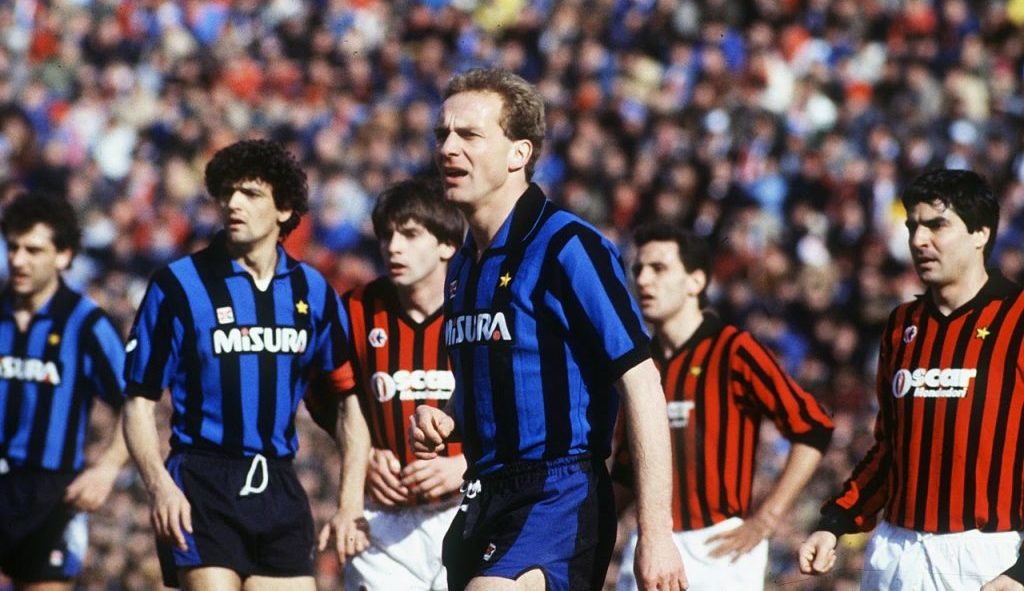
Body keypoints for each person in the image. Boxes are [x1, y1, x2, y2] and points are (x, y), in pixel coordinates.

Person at [409, 67, 687, 591]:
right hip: (482, 494)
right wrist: (446, 417)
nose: (447, 148)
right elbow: (501, 380)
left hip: (557, 493)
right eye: (442, 134)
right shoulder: (463, 265)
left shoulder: (569, 247)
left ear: (519, 153)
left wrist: (655, 534)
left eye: (469, 135)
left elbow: (642, 381)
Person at [122, 139, 349, 591]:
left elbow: (346, 398)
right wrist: (160, 486)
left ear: (284, 209)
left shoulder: (312, 290)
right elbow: (138, 401)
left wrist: (354, 488)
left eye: (250, 193)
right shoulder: (177, 285)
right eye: (227, 193)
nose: (233, 203)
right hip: (202, 480)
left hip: (279, 481)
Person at [799, 169, 1024, 591]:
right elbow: (889, 448)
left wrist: (1021, 572)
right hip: (895, 550)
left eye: (937, 225)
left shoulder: (1018, 319)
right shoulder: (902, 324)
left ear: (980, 233)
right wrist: (835, 523)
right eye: (913, 227)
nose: (919, 240)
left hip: (988, 556)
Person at [612, 223, 834, 590]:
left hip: (718, 547)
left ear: (696, 281)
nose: (643, 280)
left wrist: (766, 519)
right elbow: (626, 467)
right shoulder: (640, 365)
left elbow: (813, 427)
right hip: (651, 543)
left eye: (658, 268)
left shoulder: (734, 350)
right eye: (638, 269)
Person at [310, 177, 468, 590]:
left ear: (447, 244)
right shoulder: (355, 309)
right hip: (382, 518)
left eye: (410, 235)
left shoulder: (479, 309)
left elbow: (519, 406)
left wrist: (466, 465)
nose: (393, 247)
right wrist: (363, 454)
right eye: (386, 236)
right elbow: (331, 400)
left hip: (468, 507)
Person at [0, 193, 128, 590]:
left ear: (63, 255)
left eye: (33, 250)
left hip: (51, 494)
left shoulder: (86, 323)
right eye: (13, 247)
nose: (19, 260)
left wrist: (107, 468)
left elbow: (134, 403)